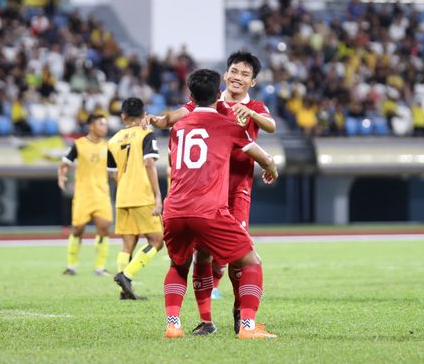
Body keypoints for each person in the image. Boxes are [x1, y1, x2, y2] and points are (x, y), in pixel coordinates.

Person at [147, 50, 275, 331]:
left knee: (231, 260)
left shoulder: (252, 106)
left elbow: (271, 126)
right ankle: (208, 320)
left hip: (233, 190)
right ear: (225, 76)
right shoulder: (213, 108)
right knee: (205, 255)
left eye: (245, 74)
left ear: (252, 82)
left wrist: (250, 112)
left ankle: (240, 314)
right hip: (207, 193)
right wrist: (161, 119)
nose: (238, 77)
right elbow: (178, 114)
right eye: (234, 71)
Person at [109, 98, 164, 299]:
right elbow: (149, 163)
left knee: (127, 243)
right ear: (144, 114)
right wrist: (158, 195)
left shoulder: (112, 140)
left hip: (122, 195)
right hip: (142, 194)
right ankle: (126, 275)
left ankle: (124, 292)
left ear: (123, 116)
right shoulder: (146, 134)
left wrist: (125, 186)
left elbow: (112, 173)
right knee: (157, 241)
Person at [58, 114, 112, 276]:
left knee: (104, 228)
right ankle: (71, 266)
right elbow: (65, 163)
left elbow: (115, 170)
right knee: (77, 229)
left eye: (105, 124)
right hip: (83, 194)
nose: (105, 127)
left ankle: (100, 268)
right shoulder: (78, 144)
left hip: (101, 194)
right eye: (101, 124)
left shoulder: (108, 146)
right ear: (91, 126)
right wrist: (62, 176)